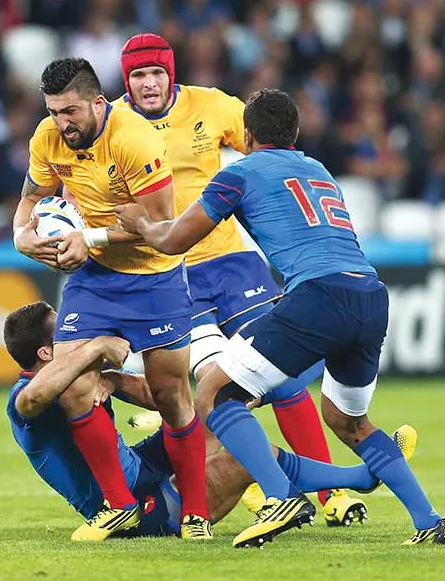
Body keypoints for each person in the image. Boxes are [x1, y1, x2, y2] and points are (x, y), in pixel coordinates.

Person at [114, 89, 445, 547]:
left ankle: (277, 496)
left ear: (245, 136)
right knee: (348, 421)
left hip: (316, 295)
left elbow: (173, 242)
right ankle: (429, 519)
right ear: (296, 134)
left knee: (214, 392)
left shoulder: (239, 173)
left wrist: (140, 224)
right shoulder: (317, 168)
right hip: (370, 294)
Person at [113, 32, 365, 526]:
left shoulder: (211, 106)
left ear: (171, 73)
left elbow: (271, 145)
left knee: (283, 374)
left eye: (156, 74)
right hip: (168, 272)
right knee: (216, 383)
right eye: (138, 76)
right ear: (126, 81)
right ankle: (259, 484)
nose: (148, 84)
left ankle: (330, 494)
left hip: (232, 262)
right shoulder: (114, 126)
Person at [2, 301, 412, 539]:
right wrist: (96, 351)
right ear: (44, 354)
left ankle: (356, 474)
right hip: (135, 509)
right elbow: (36, 397)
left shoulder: (84, 377)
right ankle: (359, 477)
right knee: (239, 461)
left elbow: (163, 399)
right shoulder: (23, 400)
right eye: (64, 334)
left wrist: (114, 378)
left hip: (139, 467)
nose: (78, 332)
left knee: (212, 409)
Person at [12, 57, 209, 541]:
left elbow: (162, 225)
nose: (63, 123)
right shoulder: (47, 137)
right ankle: (119, 505)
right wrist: (20, 236)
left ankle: (197, 515)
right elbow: (30, 199)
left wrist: (91, 238)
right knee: (73, 383)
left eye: (71, 111)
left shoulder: (135, 139)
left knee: (170, 396)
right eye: (54, 111)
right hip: (95, 279)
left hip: (155, 277)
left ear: (99, 102)